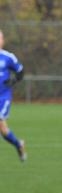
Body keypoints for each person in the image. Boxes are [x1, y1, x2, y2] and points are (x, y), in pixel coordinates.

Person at [0, 30, 26, 162]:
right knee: (4, 131)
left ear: (3, 41)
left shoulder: (8, 57)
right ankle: (18, 144)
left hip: (3, 97)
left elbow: (20, 71)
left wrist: (13, 81)